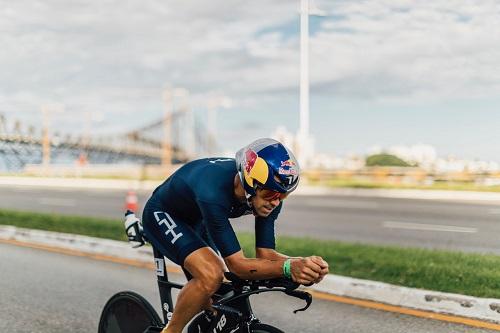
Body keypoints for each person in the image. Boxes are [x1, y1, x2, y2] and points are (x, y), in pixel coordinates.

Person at [142, 138, 329, 333]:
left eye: (283, 196)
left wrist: (303, 265)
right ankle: (171, 330)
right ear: (250, 183)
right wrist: (289, 267)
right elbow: (238, 266)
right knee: (210, 275)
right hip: (163, 213)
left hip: (198, 215)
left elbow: (266, 255)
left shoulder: (269, 193)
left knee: (220, 289)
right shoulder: (213, 193)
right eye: (270, 195)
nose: (275, 202)